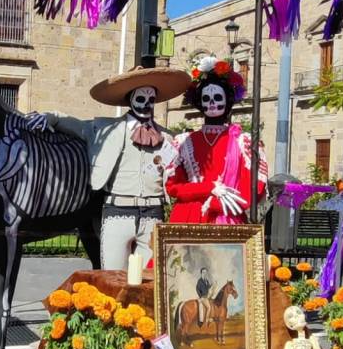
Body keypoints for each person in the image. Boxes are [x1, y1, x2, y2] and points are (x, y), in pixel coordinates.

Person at [46, 65, 191, 270]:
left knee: (149, 279)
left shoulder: (167, 138)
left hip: (153, 214)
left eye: (151, 99)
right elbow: (76, 126)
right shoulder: (107, 129)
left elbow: (187, 163)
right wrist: (50, 117)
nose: (146, 104)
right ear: (129, 100)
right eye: (140, 98)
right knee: (113, 276)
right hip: (117, 212)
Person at [166, 57, 268, 225]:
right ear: (200, 102)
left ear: (227, 100)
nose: (212, 103)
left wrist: (217, 204)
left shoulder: (243, 142)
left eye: (218, 97)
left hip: (227, 213)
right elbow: (173, 186)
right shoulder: (184, 142)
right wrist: (209, 188)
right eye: (206, 99)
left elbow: (253, 187)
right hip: (190, 216)